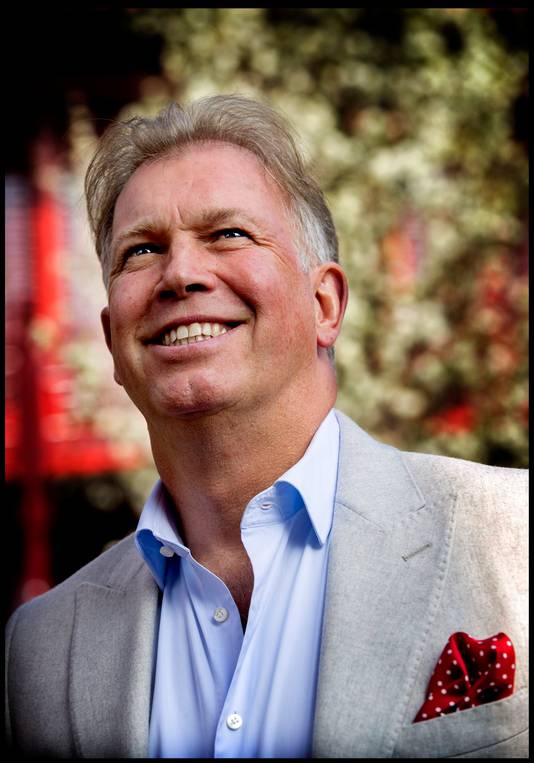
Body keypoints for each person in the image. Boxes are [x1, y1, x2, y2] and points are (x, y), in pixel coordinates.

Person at [5, 95, 527, 759]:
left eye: (228, 234)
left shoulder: (513, 541)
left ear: (325, 304)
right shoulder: (40, 650)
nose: (180, 274)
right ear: (112, 341)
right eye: (143, 250)